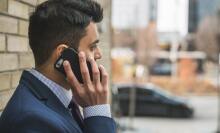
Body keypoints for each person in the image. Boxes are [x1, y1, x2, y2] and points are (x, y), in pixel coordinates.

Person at [0, 0, 116, 132]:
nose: (99, 54)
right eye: (92, 46)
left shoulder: (66, 100)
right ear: (63, 55)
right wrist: (98, 112)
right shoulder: (30, 120)